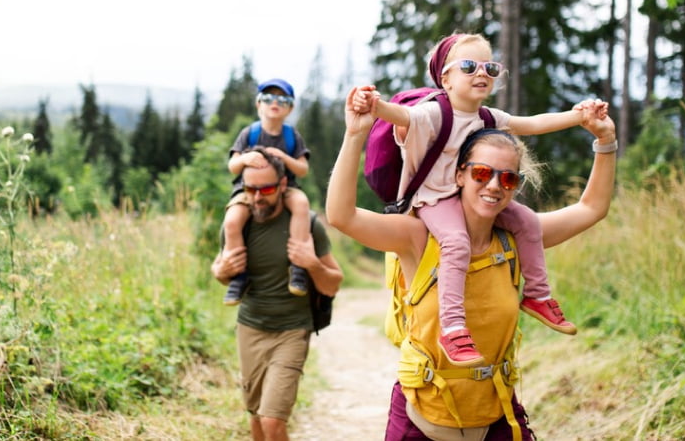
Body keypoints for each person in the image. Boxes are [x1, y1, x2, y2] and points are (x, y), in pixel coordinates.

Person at [327, 86, 617, 439]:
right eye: (481, 173)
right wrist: (355, 132)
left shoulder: (518, 241)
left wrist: (605, 141)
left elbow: (592, 208)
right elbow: (341, 216)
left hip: (496, 417)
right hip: (420, 420)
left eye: (508, 178)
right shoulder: (418, 237)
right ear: (459, 175)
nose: (495, 186)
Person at [351, 33, 608, 366]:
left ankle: (537, 295)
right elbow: (399, 116)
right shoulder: (432, 113)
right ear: (446, 78)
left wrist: (579, 117)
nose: (482, 73)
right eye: (469, 66)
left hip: (466, 196)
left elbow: (530, 124)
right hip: (433, 201)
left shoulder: (487, 118)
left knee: (527, 220)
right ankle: (453, 327)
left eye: (490, 67)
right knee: (456, 242)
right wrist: (372, 105)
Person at [211, 147, 344, 441]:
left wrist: (311, 264)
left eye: (267, 188)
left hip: (292, 331)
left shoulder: (307, 225)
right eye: (250, 189)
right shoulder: (238, 224)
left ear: (283, 186)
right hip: (250, 328)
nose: (258, 197)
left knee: (272, 421)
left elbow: (333, 283)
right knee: (256, 415)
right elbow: (222, 270)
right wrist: (220, 272)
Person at [222, 78, 314, 305]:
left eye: (282, 100)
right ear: (258, 104)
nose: (275, 103)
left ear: (290, 108)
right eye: (268, 98)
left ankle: (298, 267)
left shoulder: (292, 136)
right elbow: (232, 166)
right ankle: (238, 275)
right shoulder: (249, 134)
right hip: (249, 190)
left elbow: (302, 169)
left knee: (301, 205)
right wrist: (244, 158)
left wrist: (284, 158)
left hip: (286, 187)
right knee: (233, 221)